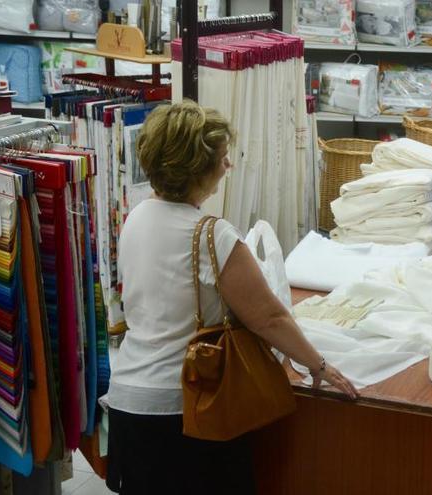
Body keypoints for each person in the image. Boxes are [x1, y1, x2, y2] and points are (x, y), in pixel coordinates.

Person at [104, 101, 358, 495]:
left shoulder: (136, 217)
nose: (229, 166)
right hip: (189, 406)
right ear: (197, 168)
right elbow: (268, 318)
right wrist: (318, 364)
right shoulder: (212, 235)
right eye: (222, 159)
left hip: (129, 400)